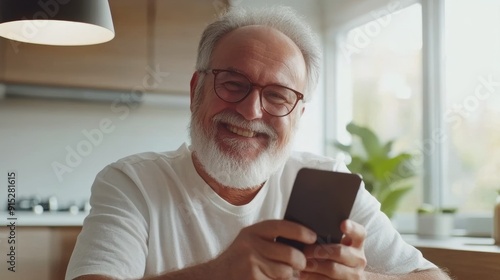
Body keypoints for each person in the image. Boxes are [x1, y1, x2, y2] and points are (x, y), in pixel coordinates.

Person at [66, 6, 451, 280]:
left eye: (279, 96)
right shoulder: (132, 183)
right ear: (196, 90)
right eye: (233, 84)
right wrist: (218, 274)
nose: (251, 112)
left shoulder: (326, 180)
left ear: (298, 115)